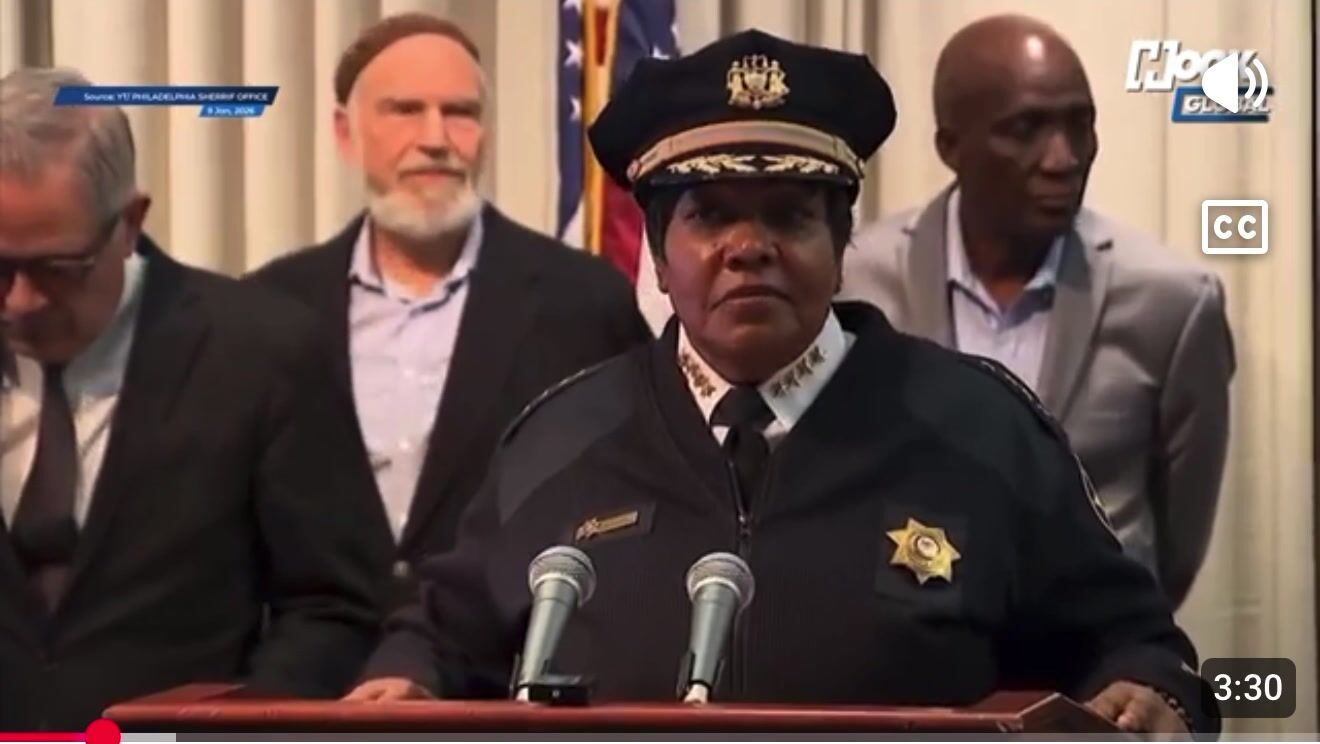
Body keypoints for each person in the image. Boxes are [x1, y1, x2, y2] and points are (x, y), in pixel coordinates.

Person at [347, 29, 1217, 735]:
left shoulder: (980, 428)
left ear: (841, 244)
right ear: (659, 256)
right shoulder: (561, 438)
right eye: (710, 216)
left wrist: (1151, 694)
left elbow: (1137, 647)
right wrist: (404, 680)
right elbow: (439, 636)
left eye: (790, 215)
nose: (749, 248)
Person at [0, 67, 392, 730]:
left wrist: (234, 729)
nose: (20, 301)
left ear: (130, 222)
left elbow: (336, 607)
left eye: (56, 269)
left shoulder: (262, 354)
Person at [248, 14, 651, 608]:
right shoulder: (269, 310)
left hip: (506, 655)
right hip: (317, 659)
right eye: (405, 110)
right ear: (345, 132)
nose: (435, 138)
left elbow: (633, 504)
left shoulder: (584, 304)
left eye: (459, 112)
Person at [841, 14, 1235, 607]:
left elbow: (1177, 544)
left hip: (1095, 647)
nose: (1063, 158)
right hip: (911, 640)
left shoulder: (1172, 302)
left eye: (1080, 125)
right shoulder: (857, 282)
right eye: (1025, 129)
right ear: (951, 147)